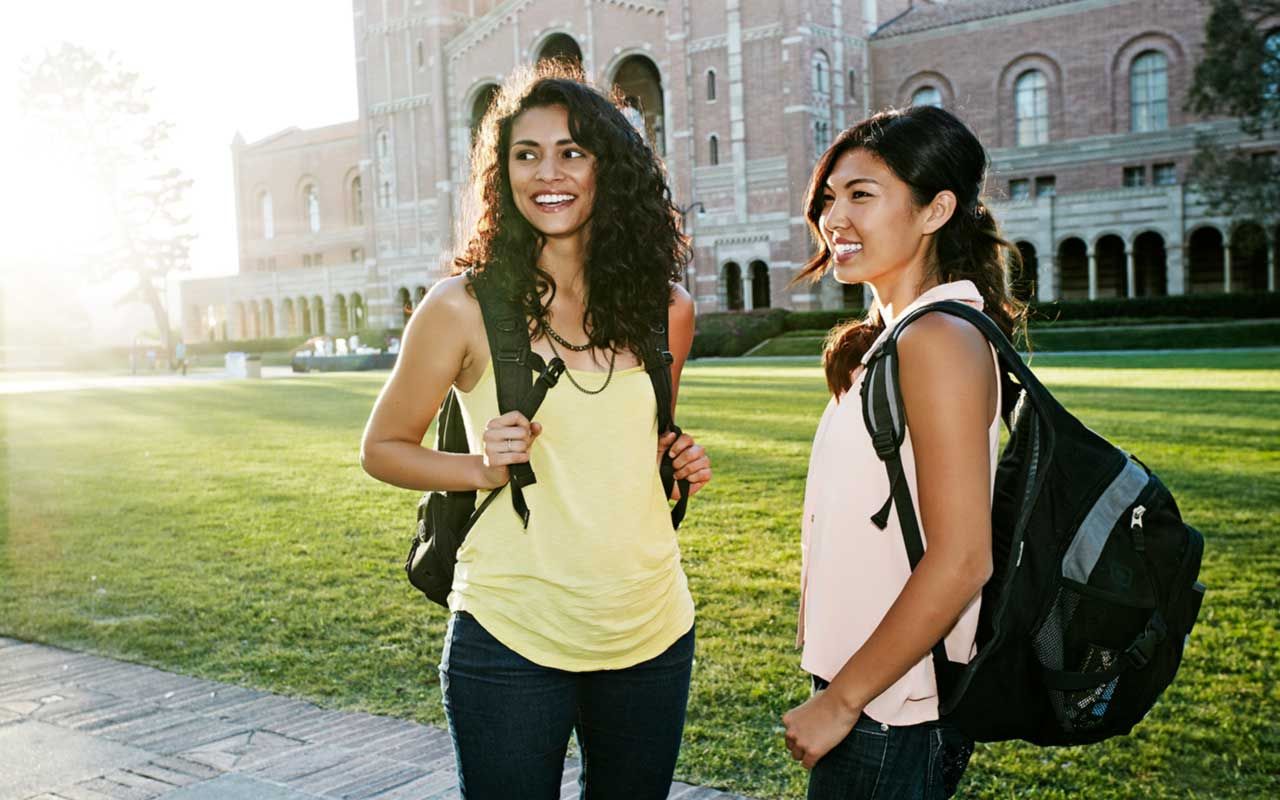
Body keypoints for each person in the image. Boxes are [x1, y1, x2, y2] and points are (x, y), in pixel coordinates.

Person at [360, 63, 712, 800]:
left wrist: (675, 455)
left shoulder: (668, 308)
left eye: (571, 152)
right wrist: (479, 468)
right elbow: (382, 448)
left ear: (609, 168)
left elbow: (640, 443)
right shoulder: (460, 307)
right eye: (526, 154)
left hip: (651, 628)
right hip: (510, 632)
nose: (547, 173)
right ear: (503, 174)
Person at [781, 105, 1027, 798]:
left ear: (935, 210)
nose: (834, 218)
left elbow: (963, 560)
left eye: (862, 195)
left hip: (891, 710)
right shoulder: (898, 337)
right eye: (829, 198)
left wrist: (841, 701)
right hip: (877, 695)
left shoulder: (939, 339)